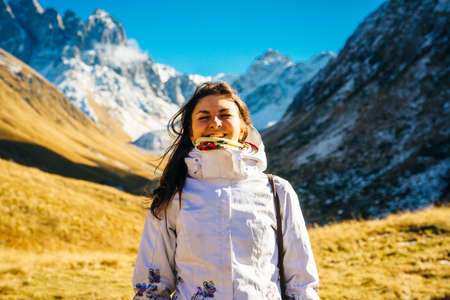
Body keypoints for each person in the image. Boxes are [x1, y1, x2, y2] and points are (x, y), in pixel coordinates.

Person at [133, 82, 319, 300]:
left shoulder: (277, 192)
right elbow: (151, 287)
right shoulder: (173, 197)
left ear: (242, 130)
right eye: (203, 117)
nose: (215, 123)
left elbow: (302, 282)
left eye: (225, 114)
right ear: (191, 134)